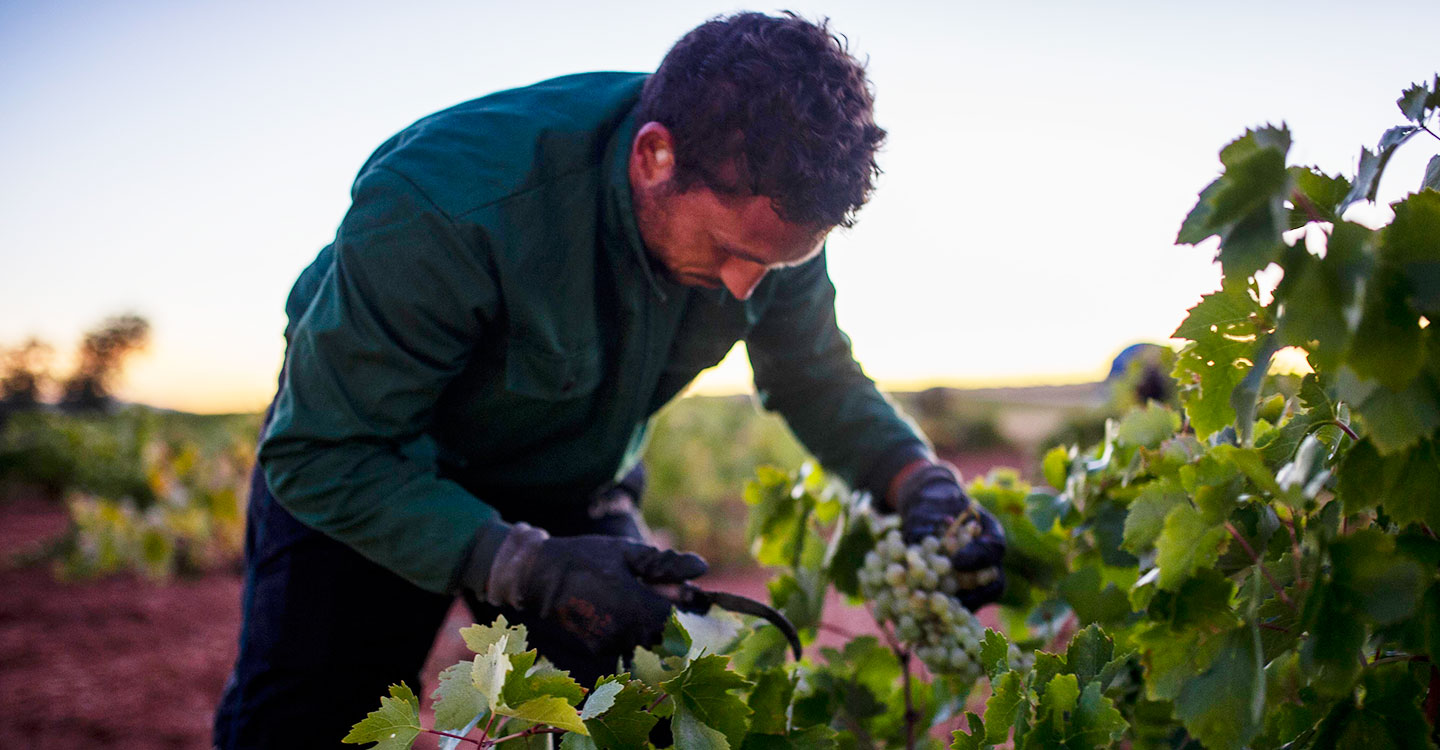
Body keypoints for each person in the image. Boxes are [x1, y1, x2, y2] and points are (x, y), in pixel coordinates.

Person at [213, 12, 1005, 748]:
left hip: (570, 478)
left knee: (650, 711)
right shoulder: (443, 206)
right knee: (303, 721)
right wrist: (522, 564)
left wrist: (918, 481)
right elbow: (321, 452)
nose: (743, 287)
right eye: (733, 252)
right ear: (653, 156)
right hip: (372, 468)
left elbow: (814, 375)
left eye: (773, 263)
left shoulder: (768, 221)